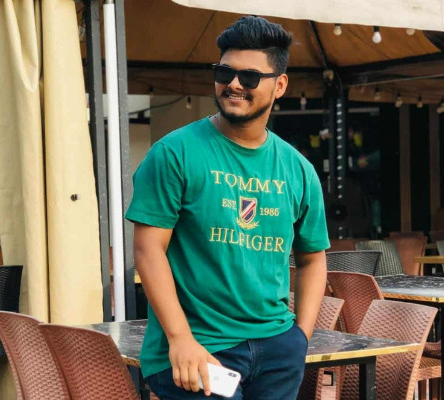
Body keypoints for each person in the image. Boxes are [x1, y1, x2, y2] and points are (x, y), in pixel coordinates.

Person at [125, 16, 329, 400]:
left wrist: (299, 337)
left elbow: (312, 259)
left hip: (277, 348)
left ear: (279, 85)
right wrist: (180, 339)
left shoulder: (298, 169)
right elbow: (148, 250)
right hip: (198, 348)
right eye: (224, 72)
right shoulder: (174, 153)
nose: (234, 84)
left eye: (250, 77)